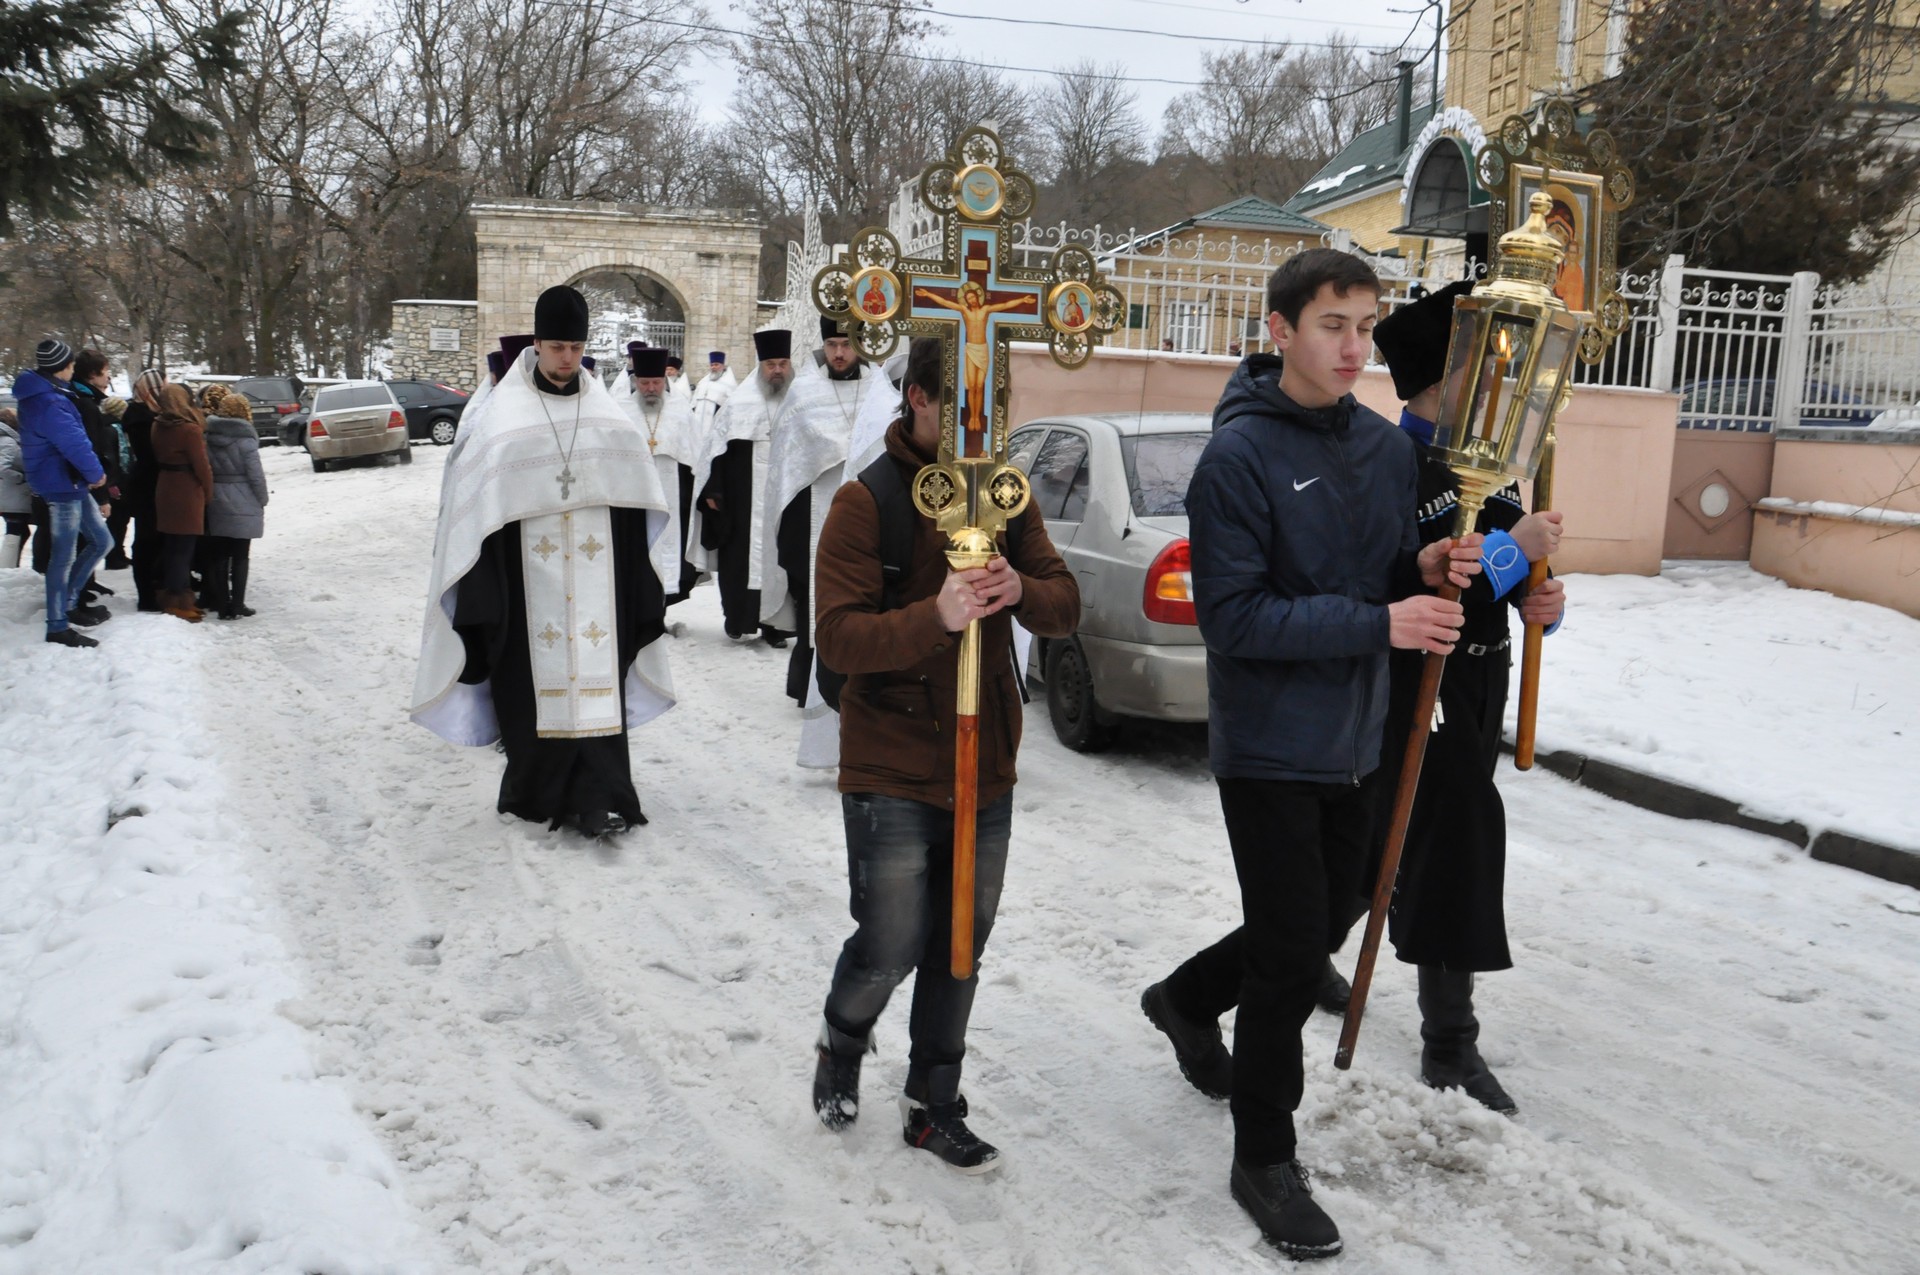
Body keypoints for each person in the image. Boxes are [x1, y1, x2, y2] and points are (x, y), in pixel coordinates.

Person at [1136, 250, 1482, 1261]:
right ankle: (1264, 1155)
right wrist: (1384, 620)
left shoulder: (1381, 450)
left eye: (1366, 326)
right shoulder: (1237, 460)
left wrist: (1421, 566)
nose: (1353, 346)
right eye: (1334, 324)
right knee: (1291, 956)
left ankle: (1187, 998)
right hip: (1271, 746)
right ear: (1281, 330)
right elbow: (1235, 618)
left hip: (1362, 738)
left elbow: (1376, 569)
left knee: (1326, 916)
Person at [807, 336, 1080, 1172]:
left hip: (982, 756)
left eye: (993, 409)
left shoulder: (1005, 492)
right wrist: (939, 613)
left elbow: (1063, 603)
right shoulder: (868, 501)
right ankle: (843, 1037)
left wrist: (1018, 591)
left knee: (962, 935)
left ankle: (934, 1099)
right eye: (961, 405)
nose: (980, 426)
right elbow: (839, 639)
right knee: (891, 937)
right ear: (919, 399)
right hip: (890, 756)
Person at [1364, 281, 1567, 1114]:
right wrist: (1514, 557)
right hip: (1420, 689)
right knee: (1453, 853)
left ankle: (1279, 966)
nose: (1494, 384)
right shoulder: (1389, 463)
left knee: (1391, 862)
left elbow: (1509, 588)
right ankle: (1449, 1043)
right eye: (1476, 369)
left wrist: (1542, 601)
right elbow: (1420, 575)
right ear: (1434, 380)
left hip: (1481, 682)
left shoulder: (1496, 462)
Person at [412, 285, 676, 841]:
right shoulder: (502, 420)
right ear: (536, 344)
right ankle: (535, 792)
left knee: (600, 684)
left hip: (599, 585)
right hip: (526, 592)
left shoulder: (609, 421)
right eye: (557, 347)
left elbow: (636, 509)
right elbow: (479, 512)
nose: (567, 360)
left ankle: (600, 795)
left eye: (577, 349)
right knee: (532, 693)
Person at [762, 316, 871, 719]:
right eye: (832, 345)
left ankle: (863, 684)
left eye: (846, 343)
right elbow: (786, 468)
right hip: (814, 519)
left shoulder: (880, 391)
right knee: (815, 599)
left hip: (870, 515)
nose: (839, 353)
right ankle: (812, 686)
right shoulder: (803, 393)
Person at [688, 329, 793, 642]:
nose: (777, 370)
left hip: (785, 502)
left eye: (783, 363)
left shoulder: (801, 403)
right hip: (742, 501)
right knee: (738, 564)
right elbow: (716, 453)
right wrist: (714, 491)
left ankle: (776, 626)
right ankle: (738, 617)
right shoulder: (738, 404)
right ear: (760, 366)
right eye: (771, 363)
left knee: (782, 562)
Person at [16, 339, 113, 646]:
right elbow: (74, 443)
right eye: (71, 366)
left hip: (68, 480)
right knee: (63, 556)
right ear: (63, 368)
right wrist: (96, 474)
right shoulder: (50, 401)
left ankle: (69, 603)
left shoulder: (47, 393)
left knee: (102, 541)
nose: (74, 370)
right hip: (61, 483)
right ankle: (57, 624)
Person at [614, 343, 701, 607]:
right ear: (635, 381)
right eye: (644, 382)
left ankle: (663, 604)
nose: (651, 388)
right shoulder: (619, 410)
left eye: (655, 382)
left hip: (672, 492)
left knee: (669, 546)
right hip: (634, 492)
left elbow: (694, 454)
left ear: (665, 380)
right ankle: (640, 605)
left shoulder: (681, 409)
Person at [201, 386, 269, 620]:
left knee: (220, 554)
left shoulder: (208, 436)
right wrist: (263, 498)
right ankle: (238, 603)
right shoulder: (246, 440)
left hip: (217, 498)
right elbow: (256, 475)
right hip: (243, 499)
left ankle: (222, 605)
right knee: (240, 555)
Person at [151, 383, 214, 622]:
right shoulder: (189, 429)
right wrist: (208, 492)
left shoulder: (157, 425)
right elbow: (202, 466)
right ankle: (178, 600)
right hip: (187, 488)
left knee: (173, 545)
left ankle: (177, 596)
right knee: (184, 547)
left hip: (165, 485)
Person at [120, 369, 166, 611]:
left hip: (148, 483)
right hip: (149, 485)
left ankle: (153, 590)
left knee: (151, 539)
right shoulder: (143, 418)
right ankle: (148, 595)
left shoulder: (141, 413)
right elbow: (151, 454)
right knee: (148, 540)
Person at [0, 408, 30, 568]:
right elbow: (1, 467)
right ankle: (6, 568)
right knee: (15, 531)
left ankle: (10, 567)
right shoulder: (9, 442)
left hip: (11, 495)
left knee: (20, 531)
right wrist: (21, 477)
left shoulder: (7, 440)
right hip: (13, 495)